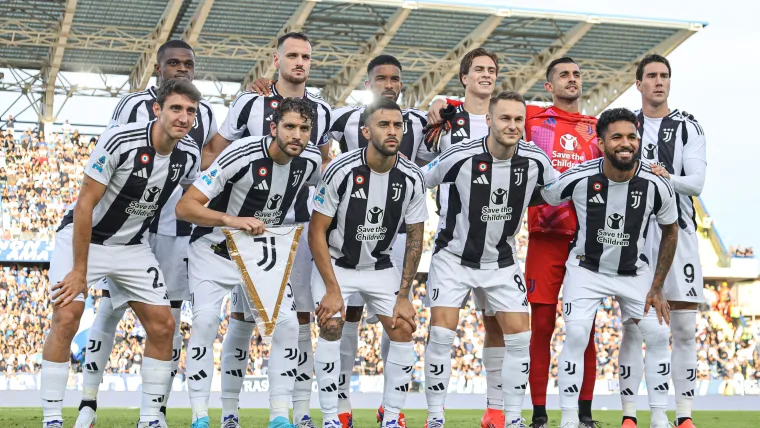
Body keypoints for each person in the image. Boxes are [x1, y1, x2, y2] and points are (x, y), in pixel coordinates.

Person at [40, 79, 202, 428]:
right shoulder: (120, 140)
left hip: (132, 246)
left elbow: (191, 203)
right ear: (157, 109)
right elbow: (84, 205)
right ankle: (52, 418)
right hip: (82, 240)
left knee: (163, 325)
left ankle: (150, 420)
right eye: (176, 108)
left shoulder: (189, 155)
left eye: (191, 111)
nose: (184, 117)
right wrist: (80, 272)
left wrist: (228, 218)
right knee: (67, 317)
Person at [75, 39, 218, 428]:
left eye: (188, 63)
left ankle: (156, 410)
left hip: (174, 230)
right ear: (158, 69)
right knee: (110, 307)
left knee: (168, 319)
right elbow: (114, 156)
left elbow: (203, 168)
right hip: (129, 227)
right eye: (173, 63)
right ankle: (88, 400)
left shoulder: (203, 114)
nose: (181, 68)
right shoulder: (132, 105)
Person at [199, 31, 331, 428]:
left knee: (300, 318)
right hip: (242, 229)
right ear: (276, 60)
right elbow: (211, 153)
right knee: (238, 319)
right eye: (292, 55)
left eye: (306, 56)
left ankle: (300, 412)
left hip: (293, 231)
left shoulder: (322, 110)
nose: (300, 62)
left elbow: (320, 168)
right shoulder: (250, 101)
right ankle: (229, 413)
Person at [177, 97, 323, 428]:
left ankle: (279, 417)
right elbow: (186, 207)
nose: (296, 135)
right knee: (205, 321)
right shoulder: (241, 154)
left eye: (304, 129)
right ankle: (202, 415)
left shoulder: (311, 161)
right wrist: (233, 219)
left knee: (288, 324)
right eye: (289, 127)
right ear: (274, 128)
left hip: (260, 253)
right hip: (213, 248)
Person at [422, 91, 557, 428]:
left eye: (518, 119)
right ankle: (435, 417)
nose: (512, 125)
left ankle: (507, 416)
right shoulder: (460, 155)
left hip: (501, 261)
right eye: (505, 118)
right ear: (490, 121)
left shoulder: (536, 159)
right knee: (441, 334)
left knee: (518, 337)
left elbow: (558, 190)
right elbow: (419, 180)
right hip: (453, 258)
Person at [540, 108, 678, 428]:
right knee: (575, 333)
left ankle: (658, 417)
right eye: (616, 137)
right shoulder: (579, 176)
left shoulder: (657, 183)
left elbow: (670, 230)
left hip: (634, 272)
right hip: (587, 270)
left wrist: (656, 287)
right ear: (601, 143)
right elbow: (544, 193)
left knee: (657, 335)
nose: (625, 143)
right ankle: (570, 419)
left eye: (632, 137)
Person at [308, 97, 427, 428]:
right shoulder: (340, 169)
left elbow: (416, 237)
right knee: (332, 324)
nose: (392, 131)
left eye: (397, 125)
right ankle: (332, 418)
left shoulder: (412, 177)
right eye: (383, 124)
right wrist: (332, 289)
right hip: (337, 265)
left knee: (403, 327)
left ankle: (390, 418)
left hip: (380, 267)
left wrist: (404, 295)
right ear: (365, 131)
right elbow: (316, 232)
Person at [420, 48, 509, 428]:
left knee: (497, 328)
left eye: (491, 70)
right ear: (465, 77)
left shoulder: (508, 118)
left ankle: (495, 410)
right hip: (451, 244)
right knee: (441, 329)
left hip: (497, 248)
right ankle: (436, 416)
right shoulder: (444, 120)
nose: (486, 75)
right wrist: (435, 103)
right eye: (479, 70)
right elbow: (421, 168)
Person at [618, 54, 707, 428]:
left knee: (684, 328)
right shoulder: (625, 126)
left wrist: (662, 177)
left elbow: (696, 184)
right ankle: (629, 415)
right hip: (634, 239)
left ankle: (683, 415)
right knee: (634, 327)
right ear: (638, 84)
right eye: (651, 76)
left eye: (664, 76)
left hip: (680, 233)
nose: (659, 81)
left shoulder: (688, 126)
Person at [523, 57, 601, 428]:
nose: (573, 80)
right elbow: (486, 109)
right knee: (541, 328)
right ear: (549, 86)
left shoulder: (597, 128)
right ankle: (539, 414)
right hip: (545, 237)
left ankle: (584, 415)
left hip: (586, 242)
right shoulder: (533, 119)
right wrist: (447, 104)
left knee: (585, 331)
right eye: (564, 75)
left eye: (577, 74)